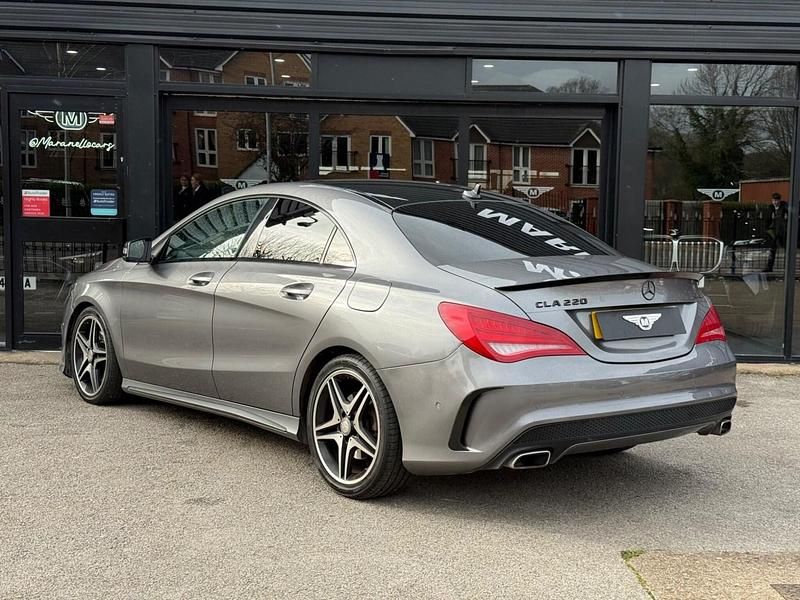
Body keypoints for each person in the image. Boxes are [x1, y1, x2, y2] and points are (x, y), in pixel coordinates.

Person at [765, 192, 788, 272]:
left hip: (782, 231)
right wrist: (768, 229)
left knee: (786, 249)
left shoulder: (784, 207)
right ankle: (769, 267)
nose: (775, 202)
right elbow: (767, 220)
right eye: (774, 201)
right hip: (773, 231)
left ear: (779, 200)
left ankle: (787, 267)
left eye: (776, 200)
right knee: (772, 249)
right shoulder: (770, 208)